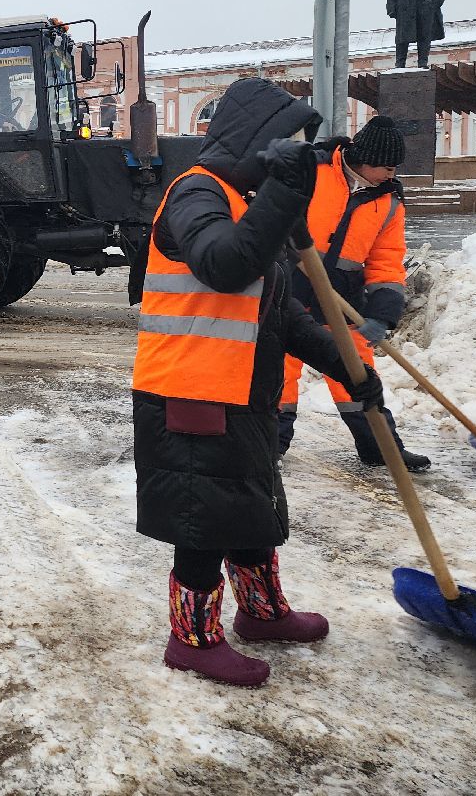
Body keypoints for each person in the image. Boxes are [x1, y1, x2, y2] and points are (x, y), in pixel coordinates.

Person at [133, 77, 384, 688]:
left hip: (240, 390)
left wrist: (349, 365)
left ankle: (262, 611)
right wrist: (284, 195)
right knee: (205, 516)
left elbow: (283, 315)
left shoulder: (247, 204)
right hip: (190, 392)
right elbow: (224, 265)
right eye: (284, 144)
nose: (291, 156)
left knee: (247, 502)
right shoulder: (195, 193)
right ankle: (191, 638)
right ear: (253, 140)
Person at [278, 117, 430, 472]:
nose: (391, 175)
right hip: (290, 290)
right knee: (278, 377)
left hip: (342, 299)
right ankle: (269, 448)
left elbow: (386, 260)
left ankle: (382, 449)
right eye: (387, 166)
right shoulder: (311, 170)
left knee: (358, 378)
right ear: (364, 158)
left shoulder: (389, 202)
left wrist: (383, 312)